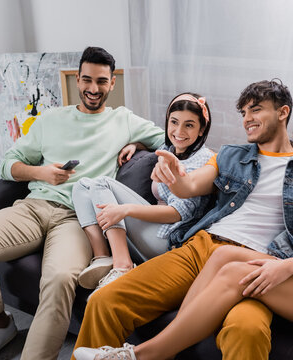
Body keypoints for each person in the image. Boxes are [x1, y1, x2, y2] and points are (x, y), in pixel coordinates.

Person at [71, 80, 293, 360]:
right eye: (243, 112)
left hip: (266, 260)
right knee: (104, 301)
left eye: (256, 109)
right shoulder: (229, 155)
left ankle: (152, 351)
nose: (247, 118)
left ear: (283, 112)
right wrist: (173, 175)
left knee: (247, 331)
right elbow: (190, 186)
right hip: (202, 247)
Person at [0, 46, 165, 360]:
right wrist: (41, 173)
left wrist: (137, 142)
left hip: (79, 220)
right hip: (35, 206)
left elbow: (171, 137)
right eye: (87, 79)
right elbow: (8, 164)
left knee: (61, 279)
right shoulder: (51, 119)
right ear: (77, 79)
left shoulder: (124, 120)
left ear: (112, 83)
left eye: (101, 81)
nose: (93, 88)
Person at [71, 93, 214, 292]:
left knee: (102, 184)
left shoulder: (203, 161)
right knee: (82, 185)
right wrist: (136, 145)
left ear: (201, 130)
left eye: (189, 125)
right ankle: (102, 256)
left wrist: (126, 210)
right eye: (174, 122)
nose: (179, 131)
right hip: (151, 229)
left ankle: (123, 265)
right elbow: (159, 144)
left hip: (168, 239)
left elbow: (177, 213)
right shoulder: (171, 149)